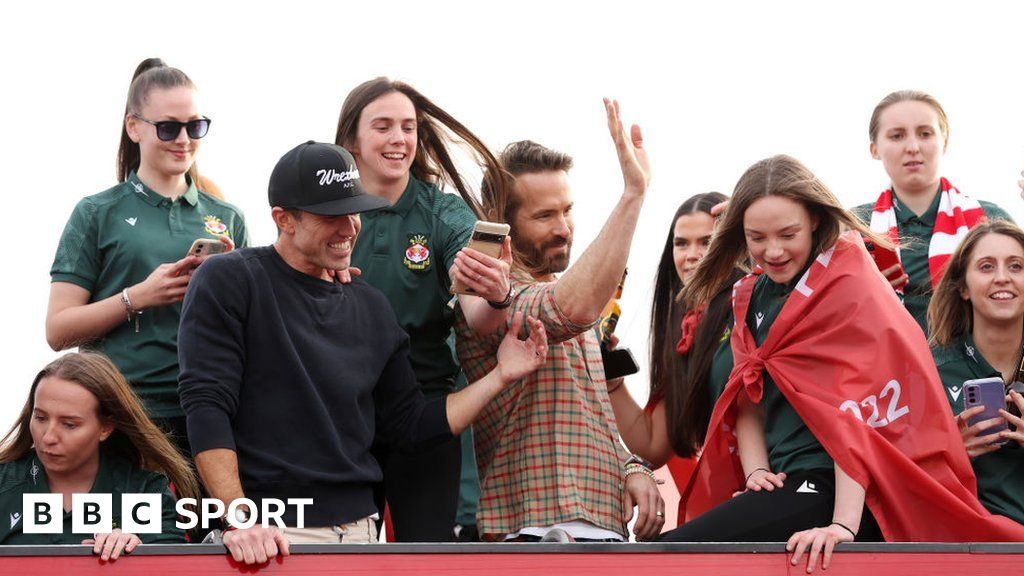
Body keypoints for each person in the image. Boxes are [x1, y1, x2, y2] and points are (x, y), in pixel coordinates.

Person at [177, 141, 547, 564]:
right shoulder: (230, 278)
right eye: (330, 215)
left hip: (360, 538)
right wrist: (238, 520)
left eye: (354, 211)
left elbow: (409, 426)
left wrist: (501, 374)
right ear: (285, 220)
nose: (349, 227)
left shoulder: (370, 304)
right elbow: (206, 406)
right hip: (268, 538)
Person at [662, 155, 1024, 571]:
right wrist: (756, 472)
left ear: (816, 220)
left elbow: (853, 413)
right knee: (662, 551)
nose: (773, 250)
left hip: (845, 487)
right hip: (789, 482)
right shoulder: (750, 294)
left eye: (788, 234)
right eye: (756, 237)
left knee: (670, 554)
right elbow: (748, 393)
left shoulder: (845, 284)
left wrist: (843, 526)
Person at [455, 99, 664, 542]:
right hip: (529, 533)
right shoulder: (488, 294)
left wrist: (631, 466)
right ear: (503, 222)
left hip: (602, 530)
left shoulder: (561, 292)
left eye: (567, 209)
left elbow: (592, 413)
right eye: (545, 215)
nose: (565, 227)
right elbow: (571, 307)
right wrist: (632, 196)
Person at [334, 77, 512, 542]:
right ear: (352, 139)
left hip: (424, 410)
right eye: (383, 126)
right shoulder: (326, 211)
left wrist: (493, 293)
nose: (399, 139)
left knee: (428, 554)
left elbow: (477, 314)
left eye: (409, 127)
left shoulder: (443, 213)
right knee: (340, 554)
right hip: (339, 414)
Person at [46, 58, 248, 458]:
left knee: (210, 522)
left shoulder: (227, 218)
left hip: (208, 414)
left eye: (196, 126)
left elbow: (251, 324)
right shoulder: (96, 213)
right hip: (121, 416)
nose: (184, 139)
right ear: (134, 126)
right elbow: (58, 331)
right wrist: (138, 296)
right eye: (169, 127)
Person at [605, 192, 737, 518]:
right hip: (723, 499)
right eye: (681, 243)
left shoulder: (758, 307)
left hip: (775, 483)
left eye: (707, 241)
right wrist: (612, 380)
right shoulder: (683, 332)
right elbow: (652, 444)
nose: (692, 255)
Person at [0, 352, 199, 556]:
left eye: (69, 424)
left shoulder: (145, 491)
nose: (48, 437)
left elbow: (171, 567)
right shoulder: (4, 482)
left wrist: (139, 551)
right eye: (40, 418)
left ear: (105, 427)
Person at [852, 90, 1012, 334]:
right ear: (874, 149)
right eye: (897, 136)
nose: (913, 147)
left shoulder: (989, 220)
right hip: (884, 367)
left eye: (925, 134)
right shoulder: (853, 227)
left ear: (944, 141)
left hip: (976, 367)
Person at [928, 220, 1024, 525]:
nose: (1002, 278)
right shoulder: (931, 371)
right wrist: (948, 454)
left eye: (1016, 266)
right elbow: (900, 480)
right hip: (967, 549)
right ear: (963, 288)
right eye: (986, 267)